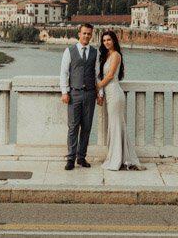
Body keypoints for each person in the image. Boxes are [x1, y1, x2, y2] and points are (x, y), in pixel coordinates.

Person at [59, 23, 103, 170]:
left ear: (91, 35)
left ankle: (81, 157)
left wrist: (100, 93)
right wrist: (65, 92)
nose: (86, 36)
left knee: (86, 127)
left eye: (89, 34)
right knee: (73, 127)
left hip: (90, 94)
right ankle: (70, 158)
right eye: (84, 33)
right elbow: (64, 73)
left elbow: (97, 75)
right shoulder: (69, 51)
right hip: (74, 94)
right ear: (79, 34)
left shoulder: (95, 53)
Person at [97, 30, 142, 171]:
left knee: (116, 125)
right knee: (116, 125)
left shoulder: (116, 55)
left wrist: (96, 87)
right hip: (109, 93)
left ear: (114, 41)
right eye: (104, 40)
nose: (106, 43)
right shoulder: (106, 55)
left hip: (115, 94)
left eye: (108, 40)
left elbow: (110, 76)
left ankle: (116, 159)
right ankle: (121, 157)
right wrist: (101, 91)